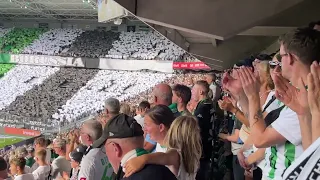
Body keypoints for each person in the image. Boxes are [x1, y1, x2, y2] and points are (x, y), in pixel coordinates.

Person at [92, 113, 177, 180]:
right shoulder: (163, 169)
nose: (106, 154)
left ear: (115, 148)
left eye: (105, 149)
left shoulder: (132, 175)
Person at [124, 116, 202, 180]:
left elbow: (164, 157)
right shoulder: (194, 154)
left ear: (174, 132)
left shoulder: (176, 153)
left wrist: (144, 158)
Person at [191, 80, 213, 180]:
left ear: (200, 92)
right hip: (208, 146)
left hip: (202, 149)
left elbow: (197, 130)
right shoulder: (209, 103)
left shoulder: (202, 108)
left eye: (194, 90)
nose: (192, 92)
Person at [144, 83, 176, 152]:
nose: (145, 129)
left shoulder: (156, 117)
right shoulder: (180, 115)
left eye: (147, 125)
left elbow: (146, 147)